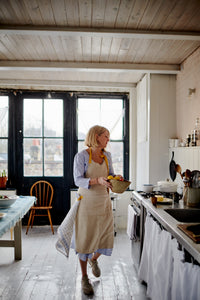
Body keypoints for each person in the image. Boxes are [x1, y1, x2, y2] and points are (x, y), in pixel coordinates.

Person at [72, 125, 123, 295]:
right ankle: (85, 277)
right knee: (85, 239)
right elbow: (78, 180)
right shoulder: (81, 156)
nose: (108, 140)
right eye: (106, 136)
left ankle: (94, 260)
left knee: (105, 235)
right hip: (86, 202)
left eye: (108, 137)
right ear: (96, 136)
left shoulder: (107, 155)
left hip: (103, 201)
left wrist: (116, 178)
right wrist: (97, 180)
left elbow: (110, 175)